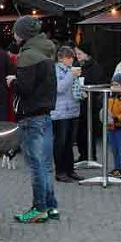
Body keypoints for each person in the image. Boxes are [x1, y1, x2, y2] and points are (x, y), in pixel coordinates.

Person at [9, 16, 58, 224]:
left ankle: (39, 208)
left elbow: (26, 89)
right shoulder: (46, 51)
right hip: (45, 114)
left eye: (15, 32)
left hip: (31, 116)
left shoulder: (28, 56)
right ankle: (50, 205)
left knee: (36, 164)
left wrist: (12, 82)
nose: (13, 35)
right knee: (45, 163)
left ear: (22, 34)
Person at [51, 46, 82, 183]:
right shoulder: (56, 70)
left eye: (72, 58)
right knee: (60, 143)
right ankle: (60, 171)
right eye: (68, 58)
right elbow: (59, 88)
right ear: (61, 58)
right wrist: (71, 76)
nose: (71, 60)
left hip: (73, 110)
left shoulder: (70, 70)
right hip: (60, 112)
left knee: (69, 143)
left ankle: (70, 170)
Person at [74, 44, 108, 162]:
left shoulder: (94, 67)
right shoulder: (78, 66)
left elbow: (96, 83)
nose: (77, 56)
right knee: (80, 130)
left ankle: (90, 154)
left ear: (87, 54)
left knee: (88, 129)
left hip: (90, 102)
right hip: (80, 101)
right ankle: (83, 154)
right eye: (76, 54)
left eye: (79, 54)